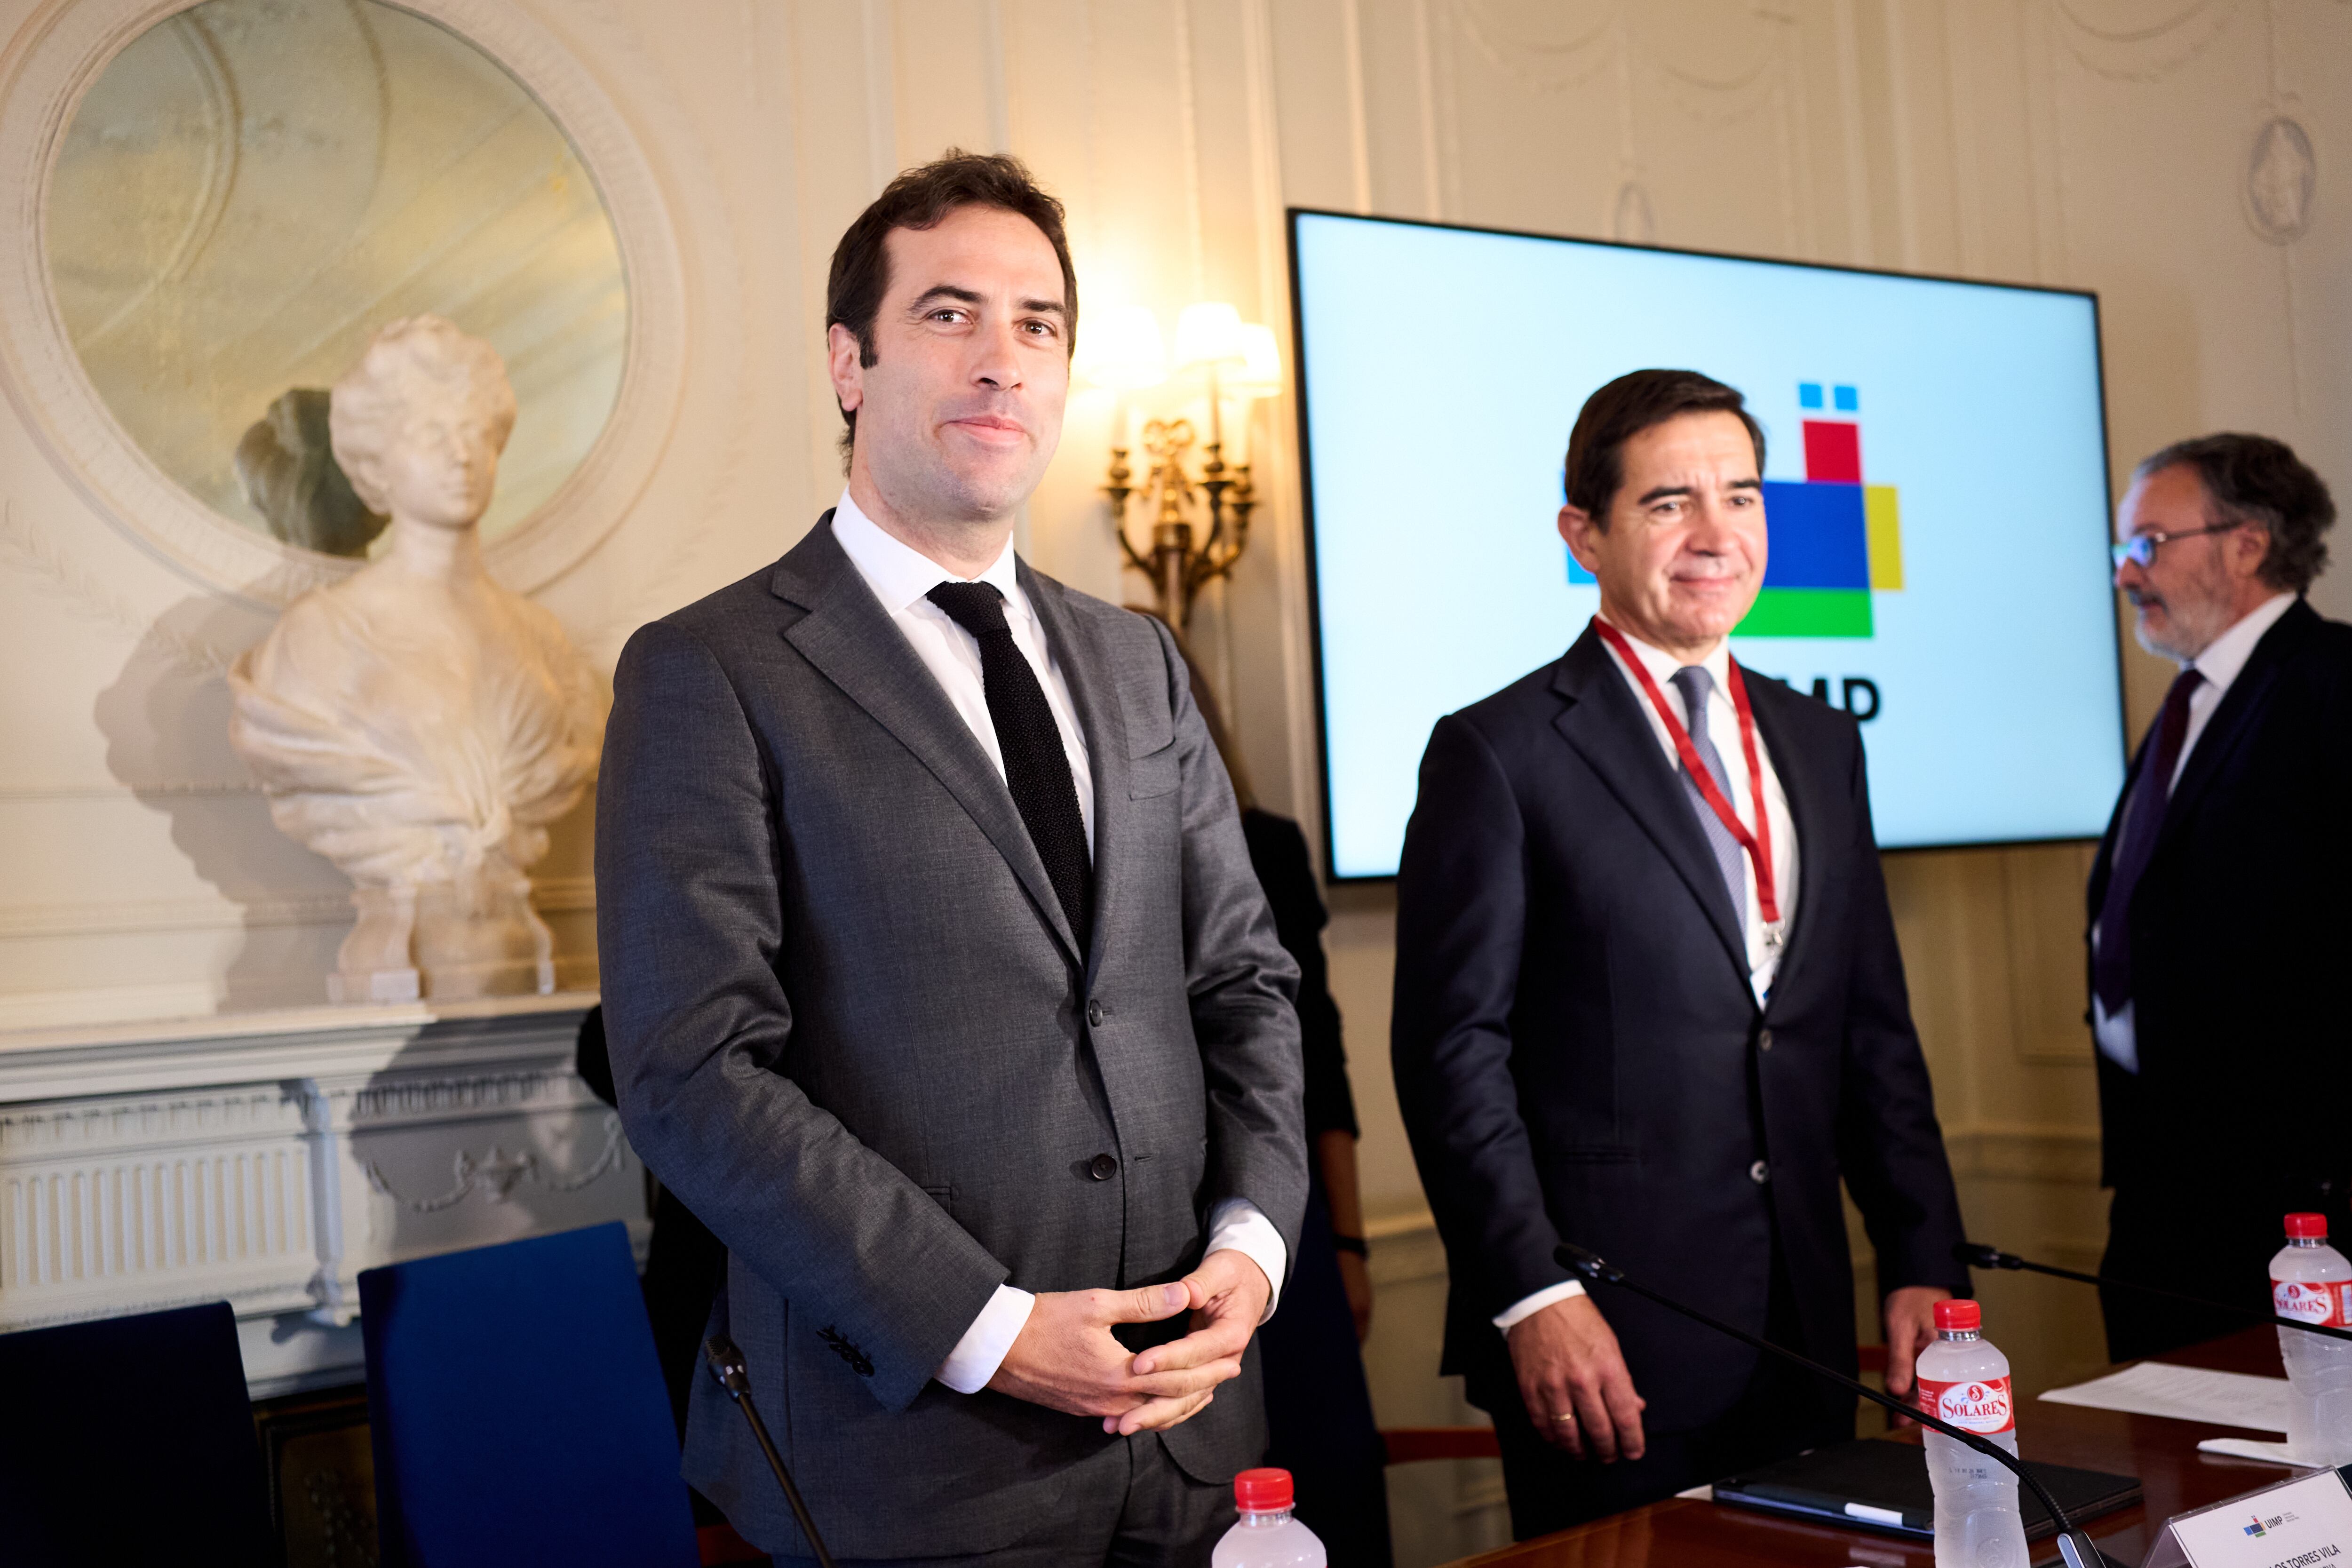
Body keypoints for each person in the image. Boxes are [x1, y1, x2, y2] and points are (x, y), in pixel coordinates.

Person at [595, 151, 1307, 1564]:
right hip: (911, 1459)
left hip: (1190, 1438)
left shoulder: (1137, 658)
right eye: (950, 314)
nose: (1003, 359)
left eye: (1039, 324)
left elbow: (1243, 978)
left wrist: (1254, 1247)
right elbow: (689, 1069)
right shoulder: (710, 669)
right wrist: (988, 1328)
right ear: (849, 361)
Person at [1391, 368, 1971, 1538]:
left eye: (1742, 496)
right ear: (1584, 535)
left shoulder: (1820, 738)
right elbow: (1452, 1054)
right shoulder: (1498, 751)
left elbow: (1869, 1024)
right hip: (1606, 1339)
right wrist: (1531, 1292)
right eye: (1668, 503)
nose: (1718, 534)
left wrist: (1924, 1256)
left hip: (1807, 1326)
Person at [2091, 433, 2351, 1363]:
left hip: (2297, 1202)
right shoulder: (2187, 704)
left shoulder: (2330, 681)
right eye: (2121, 549)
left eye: (2149, 543)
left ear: (2244, 543)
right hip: (2168, 1186)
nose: (2126, 573)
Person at [1151, 616, 1393, 1566]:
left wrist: (1347, 1239)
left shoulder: (1264, 844)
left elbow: (1313, 1066)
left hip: (1268, 1220)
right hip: (1146, 1226)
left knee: (1316, 1491)